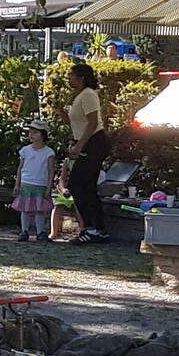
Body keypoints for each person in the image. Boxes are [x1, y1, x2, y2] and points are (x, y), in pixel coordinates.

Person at [63, 61, 111, 244]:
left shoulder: (89, 94)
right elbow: (77, 122)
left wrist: (80, 145)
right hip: (85, 142)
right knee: (86, 187)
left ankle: (93, 228)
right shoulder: (80, 96)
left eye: (72, 76)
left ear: (81, 78)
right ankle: (96, 229)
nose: (69, 79)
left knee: (78, 184)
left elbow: (92, 123)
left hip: (94, 142)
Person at [13, 123, 57, 242]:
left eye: (35, 132)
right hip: (27, 183)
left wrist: (49, 186)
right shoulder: (25, 150)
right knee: (25, 209)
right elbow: (20, 168)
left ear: (43, 135)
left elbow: (50, 170)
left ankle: (40, 232)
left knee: (40, 209)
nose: (31, 135)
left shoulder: (49, 152)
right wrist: (17, 184)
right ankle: (24, 230)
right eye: (30, 132)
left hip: (40, 184)